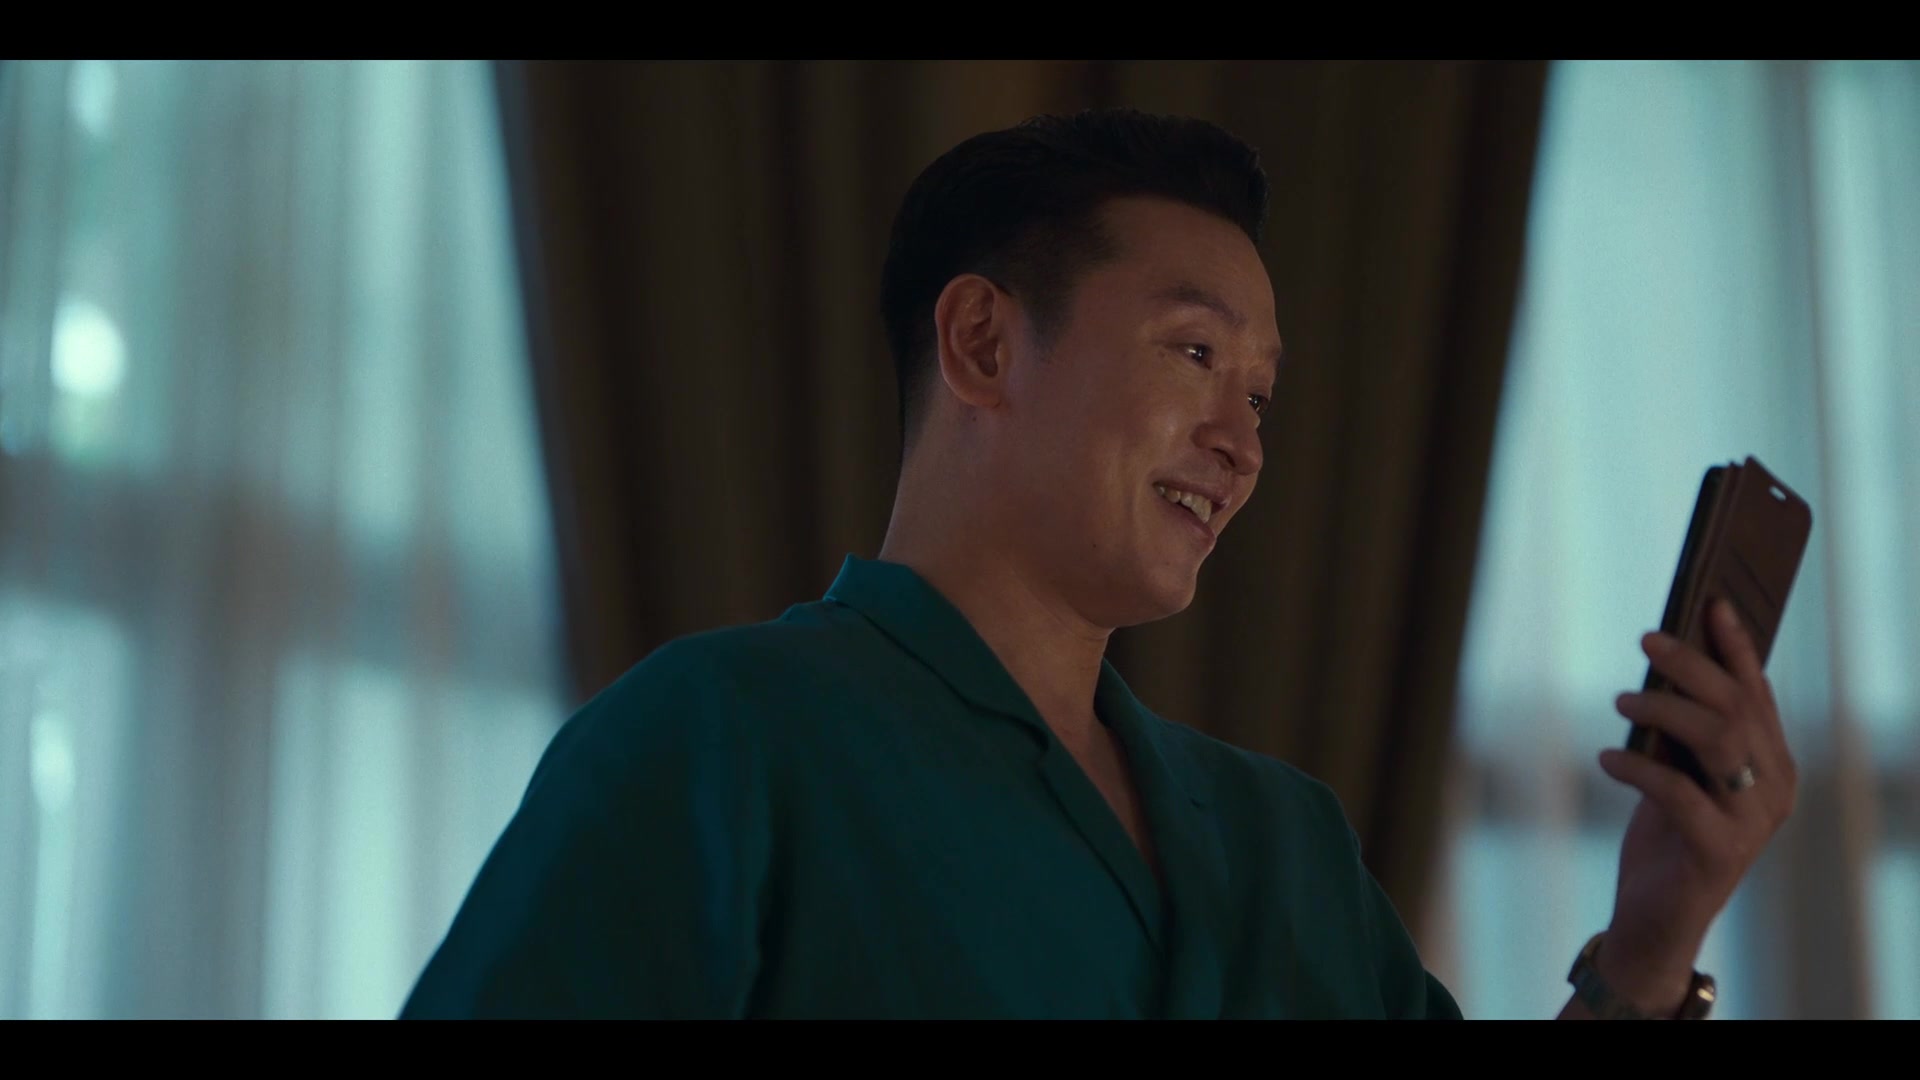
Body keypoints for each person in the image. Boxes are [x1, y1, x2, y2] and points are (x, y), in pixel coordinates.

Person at [400, 107, 1796, 1020]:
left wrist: (1654, 935)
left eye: (1262, 396)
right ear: (982, 344)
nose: (1240, 444)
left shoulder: (1286, 844)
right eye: (1194, 354)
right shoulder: (716, 740)